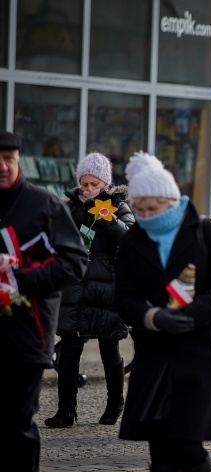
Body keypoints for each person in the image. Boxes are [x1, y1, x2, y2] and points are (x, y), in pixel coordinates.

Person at [115, 152, 211, 472]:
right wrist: (153, 317)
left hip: (202, 352)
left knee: (185, 441)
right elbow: (124, 298)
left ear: (173, 200)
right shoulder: (133, 239)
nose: (150, 213)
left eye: (156, 205)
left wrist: (188, 316)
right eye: (142, 207)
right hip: (154, 352)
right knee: (159, 445)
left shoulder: (208, 231)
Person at [0, 131, 87, 472]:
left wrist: (18, 279)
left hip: (25, 334)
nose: (3, 166)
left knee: (16, 421)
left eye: (9, 157)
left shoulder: (44, 205)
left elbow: (73, 262)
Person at [43, 153, 134, 429]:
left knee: (110, 347)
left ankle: (115, 403)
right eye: (84, 183)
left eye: (93, 183)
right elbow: (56, 236)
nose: (87, 189)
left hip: (106, 284)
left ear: (105, 183)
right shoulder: (70, 206)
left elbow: (130, 238)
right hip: (75, 285)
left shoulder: (118, 205)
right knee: (70, 348)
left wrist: (107, 218)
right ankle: (65, 411)